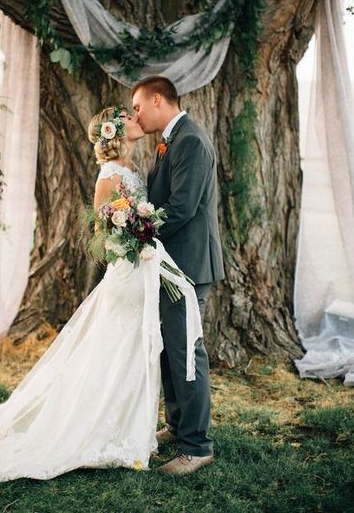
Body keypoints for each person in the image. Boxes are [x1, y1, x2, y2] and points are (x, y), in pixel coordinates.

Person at [0, 105, 201, 483]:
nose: (137, 119)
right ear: (116, 132)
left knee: (137, 350)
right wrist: (132, 235)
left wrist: (142, 231)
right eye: (128, 117)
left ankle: (129, 428)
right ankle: (99, 429)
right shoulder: (110, 176)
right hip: (128, 274)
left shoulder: (135, 168)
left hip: (143, 272)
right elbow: (104, 236)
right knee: (117, 350)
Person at [132, 75, 225, 475]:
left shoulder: (190, 141)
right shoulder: (170, 141)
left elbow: (182, 207)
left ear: (157, 99)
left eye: (137, 107)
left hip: (188, 265)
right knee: (170, 348)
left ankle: (197, 447)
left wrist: (141, 233)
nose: (135, 114)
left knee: (187, 352)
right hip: (172, 264)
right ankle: (177, 424)